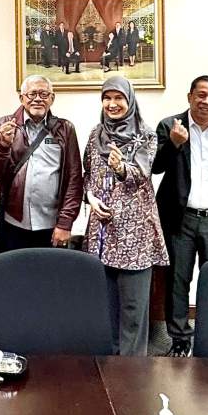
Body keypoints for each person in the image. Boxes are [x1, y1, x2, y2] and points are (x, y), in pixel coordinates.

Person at [152, 75, 208, 358]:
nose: (206, 101)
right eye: (201, 95)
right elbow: (155, 166)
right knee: (178, 280)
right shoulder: (170, 125)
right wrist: (174, 143)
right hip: (180, 218)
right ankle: (179, 338)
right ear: (190, 96)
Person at [83, 77, 167, 356]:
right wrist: (90, 197)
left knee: (133, 308)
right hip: (101, 232)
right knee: (104, 306)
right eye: (107, 98)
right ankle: (108, 367)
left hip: (134, 233)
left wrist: (121, 169)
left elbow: (141, 174)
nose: (112, 104)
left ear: (129, 100)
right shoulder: (96, 134)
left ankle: (132, 370)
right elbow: (87, 175)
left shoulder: (146, 135)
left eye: (118, 98)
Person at [0, 74, 83, 254]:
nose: (38, 99)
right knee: (14, 270)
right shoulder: (5, 124)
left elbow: (74, 179)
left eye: (44, 94)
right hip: (13, 221)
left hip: (51, 225)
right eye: (32, 94)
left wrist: (65, 222)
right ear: (22, 98)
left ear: (52, 98)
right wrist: (2, 145)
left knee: (47, 272)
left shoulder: (65, 129)